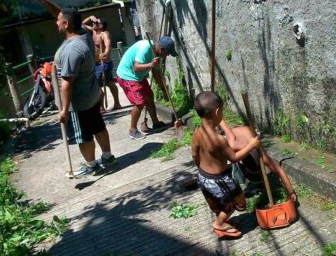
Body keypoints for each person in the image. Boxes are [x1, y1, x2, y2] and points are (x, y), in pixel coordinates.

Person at [33, 0, 116, 177]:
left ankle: (92, 165)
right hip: (92, 94)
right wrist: (45, 1)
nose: (56, 22)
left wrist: (64, 109)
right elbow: (62, 14)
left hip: (79, 102)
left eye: (59, 21)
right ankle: (108, 157)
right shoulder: (85, 34)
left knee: (83, 135)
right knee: (98, 126)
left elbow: (67, 83)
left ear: (66, 25)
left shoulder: (71, 50)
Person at [191, 91, 260, 239]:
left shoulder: (197, 133)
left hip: (202, 177)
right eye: (222, 111)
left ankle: (223, 220)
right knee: (236, 201)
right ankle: (220, 223)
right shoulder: (219, 140)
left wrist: (201, 170)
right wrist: (251, 145)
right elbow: (234, 158)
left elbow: (194, 155)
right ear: (217, 112)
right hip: (219, 179)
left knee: (217, 201)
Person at [219, 120, 297, 202]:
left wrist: (291, 193)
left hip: (243, 141)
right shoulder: (236, 143)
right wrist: (291, 192)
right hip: (245, 137)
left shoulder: (232, 145)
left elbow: (279, 171)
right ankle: (258, 184)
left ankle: (256, 184)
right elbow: (279, 170)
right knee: (234, 163)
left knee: (234, 163)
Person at [116, 36, 176, 139]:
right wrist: (151, 64)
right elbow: (136, 67)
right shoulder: (146, 49)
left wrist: (164, 90)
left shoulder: (157, 54)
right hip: (127, 76)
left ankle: (156, 123)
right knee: (139, 102)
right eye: (168, 53)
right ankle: (133, 130)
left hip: (138, 76)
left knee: (149, 96)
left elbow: (157, 74)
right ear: (162, 49)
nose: (168, 55)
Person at [82, 15, 122, 113]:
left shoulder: (104, 34)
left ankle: (101, 107)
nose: (93, 23)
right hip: (95, 64)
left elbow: (108, 45)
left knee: (96, 85)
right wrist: (91, 17)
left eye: (96, 22)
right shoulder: (92, 31)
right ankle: (117, 104)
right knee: (109, 83)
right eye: (93, 23)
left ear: (101, 25)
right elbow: (82, 24)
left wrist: (105, 53)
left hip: (104, 63)